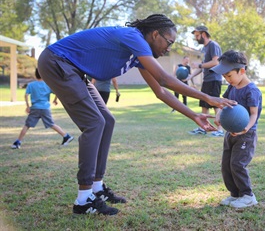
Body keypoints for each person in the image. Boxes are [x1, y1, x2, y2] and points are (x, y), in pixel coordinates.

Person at [37, 14, 236, 216]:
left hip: (76, 71)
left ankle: (97, 188)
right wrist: (208, 98)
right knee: (95, 123)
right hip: (58, 62)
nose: (168, 48)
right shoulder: (133, 37)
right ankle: (83, 199)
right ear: (155, 34)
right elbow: (164, 79)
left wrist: (193, 115)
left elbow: (160, 91)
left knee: (107, 120)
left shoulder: (138, 53)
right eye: (168, 42)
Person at [210, 50, 262, 208]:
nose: (227, 79)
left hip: (246, 135)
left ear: (242, 71)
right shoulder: (231, 87)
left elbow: (254, 114)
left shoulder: (252, 91)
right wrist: (218, 114)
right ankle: (235, 194)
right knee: (226, 165)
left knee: (237, 164)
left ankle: (248, 195)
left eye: (229, 75)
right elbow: (223, 102)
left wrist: (245, 129)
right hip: (230, 133)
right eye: (224, 76)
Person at [11, 68, 74, 149]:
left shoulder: (31, 85)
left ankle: (18, 142)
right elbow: (57, 92)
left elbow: (26, 95)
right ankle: (66, 136)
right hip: (45, 108)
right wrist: (55, 100)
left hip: (35, 108)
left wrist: (27, 106)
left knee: (27, 125)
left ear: (35, 74)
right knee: (51, 124)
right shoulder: (48, 84)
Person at [186, 25, 224, 137]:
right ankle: (204, 127)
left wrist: (200, 64)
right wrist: (190, 77)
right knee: (204, 105)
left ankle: (220, 130)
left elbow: (216, 62)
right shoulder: (205, 48)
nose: (196, 38)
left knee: (216, 105)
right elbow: (203, 67)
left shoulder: (213, 45)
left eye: (197, 35)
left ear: (203, 34)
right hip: (207, 80)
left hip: (214, 80)